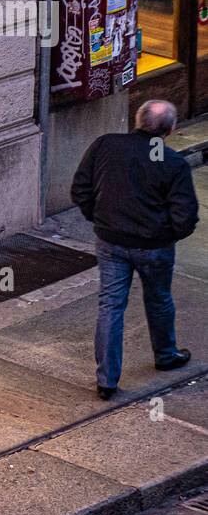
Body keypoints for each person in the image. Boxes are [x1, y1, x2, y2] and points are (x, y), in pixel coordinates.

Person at [71, 99, 198, 399]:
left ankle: (106, 379)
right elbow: (185, 217)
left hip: (111, 240)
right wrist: (164, 236)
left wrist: (100, 219)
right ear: (171, 129)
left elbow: (81, 189)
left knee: (111, 306)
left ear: (137, 120)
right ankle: (166, 354)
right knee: (159, 299)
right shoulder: (173, 163)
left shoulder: (105, 145)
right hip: (153, 246)